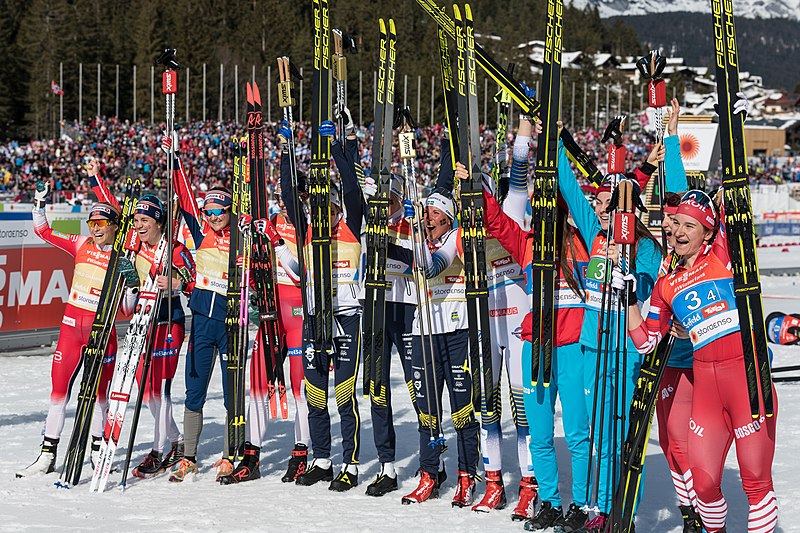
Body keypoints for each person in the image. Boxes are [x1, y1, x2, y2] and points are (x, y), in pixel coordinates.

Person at [621, 189, 778, 533]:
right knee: (704, 487)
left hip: (745, 379)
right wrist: (629, 299)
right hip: (707, 386)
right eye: (677, 224)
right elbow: (647, 341)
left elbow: (733, 208)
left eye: (689, 226)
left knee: (755, 481)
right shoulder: (667, 284)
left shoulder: (721, 255)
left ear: (707, 232)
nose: (679, 232)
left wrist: (728, 192)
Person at [556, 123, 680, 532]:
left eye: (615, 206)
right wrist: (553, 142)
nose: (606, 210)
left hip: (625, 352)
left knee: (623, 438)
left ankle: (620, 513)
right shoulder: (593, 234)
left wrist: (621, 263)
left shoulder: (646, 248)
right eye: (606, 204)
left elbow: (643, 288)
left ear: (632, 213)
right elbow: (570, 192)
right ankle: (602, 509)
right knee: (599, 436)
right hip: (592, 345)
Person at [16, 166, 137, 478]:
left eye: (101, 223)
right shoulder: (80, 243)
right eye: (91, 222)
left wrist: (133, 284)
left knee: (99, 396)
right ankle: (47, 454)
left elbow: (126, 311)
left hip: (102, 332)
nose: (94, 228)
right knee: (58, 392)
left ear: (113, 227)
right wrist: (39, 203)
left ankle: (97, 451)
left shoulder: (122, 258)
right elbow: (43, 232)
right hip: (71, 330)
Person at [401, 147, 480, 508]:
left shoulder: (455, 237)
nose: (429, 218)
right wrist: (408, 231)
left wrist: (417, 238)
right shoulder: (418, 235)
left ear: (448, 218)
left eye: (436, 214)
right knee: (426, 408)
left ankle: (468, 475)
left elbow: (431, 267)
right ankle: (430, 472)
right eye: (427, 213)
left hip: (456, 330)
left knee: (462, 409)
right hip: (423, 331)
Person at [290, 116, 365, 492]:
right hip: (315, 317)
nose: (322, 211)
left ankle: (350, 463)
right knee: (314, 390)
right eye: (316, 205)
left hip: (348, 318)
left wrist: (337, 149)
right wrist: (289, 154)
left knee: (344, 393)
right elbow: (291, 195)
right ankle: (322, 458)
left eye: (327, 205)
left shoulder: (351, 223)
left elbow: (352, 189)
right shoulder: (306, 228)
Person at [163, 136, 244, 483]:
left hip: (231, 325)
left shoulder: (242, 234)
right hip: (202, 322)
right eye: (208, 211)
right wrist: (175, 157)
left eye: (219, 211)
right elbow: (183, 198)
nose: (212, 217)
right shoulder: (200, 233)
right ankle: (190, 457)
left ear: (230, 210)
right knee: (194, 390)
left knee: (231, 391)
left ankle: (230, 454)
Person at [469, 117, 539, 518]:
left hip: (516, 325)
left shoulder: (510, 209)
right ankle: (493, 481)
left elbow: (518, 169)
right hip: (487, 324)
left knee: (522, 410)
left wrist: (526, 132)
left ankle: (528, 487)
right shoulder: (469, 227)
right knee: (487, 408)